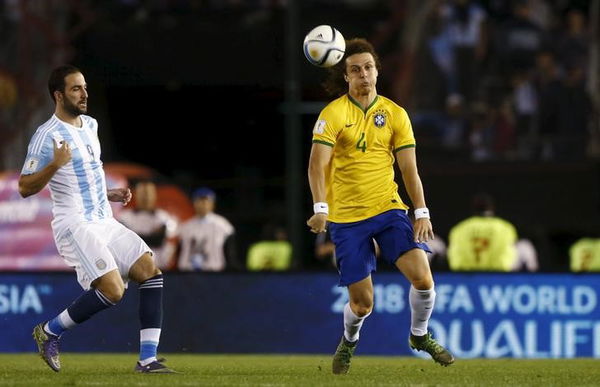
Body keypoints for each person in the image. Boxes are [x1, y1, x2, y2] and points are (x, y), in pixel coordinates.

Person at [306, 38, 454, 375]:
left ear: (377, 71)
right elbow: (316, 165)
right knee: (363, 304)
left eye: (368, 68)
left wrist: (421, 212)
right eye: (355, 70)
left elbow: (409, 170)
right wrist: (320, 207)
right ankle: (349, 339)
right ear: (346, 77)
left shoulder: (395, 114)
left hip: (388, 209)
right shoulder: (333, 114)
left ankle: (419, 336)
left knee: (424, 279)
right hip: (346, 218)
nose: (364, 75)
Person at [19, 65, 175, 373]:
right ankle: (49, 331)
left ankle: (147, 360)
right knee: (114, 290)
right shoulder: (46, 136)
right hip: (75, 225)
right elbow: (25, 187)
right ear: (58, 95)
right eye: (76, 89)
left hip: (104, 219)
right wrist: (54, 164)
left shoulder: (90, 125)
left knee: (150, 269)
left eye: (85, 87)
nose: (84, 93)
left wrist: (109, 193)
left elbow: (84, 176)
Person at [447, 193, 538, 272]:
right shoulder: (505, 227)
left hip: (463, 274)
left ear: (473, 208)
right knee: (525, 245)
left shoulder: (459, 228)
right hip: (499, 274)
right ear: (492, 207)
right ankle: (534, 281)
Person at [118, 179, 178, 270]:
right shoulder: (125, 217)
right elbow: (126, 242)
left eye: (148, 193)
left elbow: (158, 240)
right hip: (131, 267)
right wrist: (151, 237)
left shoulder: (163, 217)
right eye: (142, 193)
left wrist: (134, 236)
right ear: (136, 195)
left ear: (154, 195)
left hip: (158, 267)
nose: (146, 197)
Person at [177, 187, 236, 271]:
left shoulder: (223, 225)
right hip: (188, 273)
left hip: (213, 272)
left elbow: (229, 253)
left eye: (206, 201)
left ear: (212, 203)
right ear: (194, 203)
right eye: (199, 201)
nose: (203, 204)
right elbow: (179, 252)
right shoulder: (186, 226)